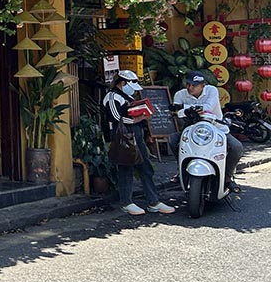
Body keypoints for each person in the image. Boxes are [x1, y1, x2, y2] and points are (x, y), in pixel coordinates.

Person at [102, 70, 176, 216]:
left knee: (146, 167)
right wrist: (139, 119)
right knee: (125, 168)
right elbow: (115, 118)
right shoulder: (112, 97)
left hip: (137, 135)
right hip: (123, 137)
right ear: (122, 83)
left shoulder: (127, 96)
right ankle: (126, 202)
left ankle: (153, 201)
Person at [172, 71, 242, 192]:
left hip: (216, 128)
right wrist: (185, 110)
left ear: (203, 85)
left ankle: (227, 178)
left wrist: (184, 108)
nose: (190, 87)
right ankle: (181, 171)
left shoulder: (212, 90)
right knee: (173, 140)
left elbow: (208, 107)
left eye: (194, 85)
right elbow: (174, 112)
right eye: (188, 84)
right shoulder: (180, 94)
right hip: (191, 129)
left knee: (236, 147)